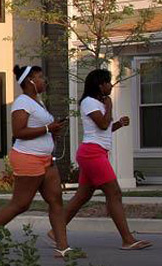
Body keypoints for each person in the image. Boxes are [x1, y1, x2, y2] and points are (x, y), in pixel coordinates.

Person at [0, 65, 82, 259]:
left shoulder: (37, 102)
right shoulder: (22, 103)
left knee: (56, 201)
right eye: (40, 77)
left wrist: (53, 131)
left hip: (46, 160)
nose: (44, 81)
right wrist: (48, 128)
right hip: (28, 158)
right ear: (29, 82)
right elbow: (19, 132)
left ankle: (63, 248)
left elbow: (42, 128)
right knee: (20, 204)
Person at [49, 69, 151, 250]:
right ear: (99, 85)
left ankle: (55, 231)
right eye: (107, 82)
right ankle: (127, 240)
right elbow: (103, 124)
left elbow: (103, 130)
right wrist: (110, 105)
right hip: (92, 154)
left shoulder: (98, 103)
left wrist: (118, 124)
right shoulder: (89, 102)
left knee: (82, 196)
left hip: (96, 152)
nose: (110, 85)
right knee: (114, 193)